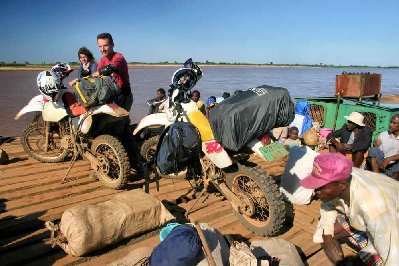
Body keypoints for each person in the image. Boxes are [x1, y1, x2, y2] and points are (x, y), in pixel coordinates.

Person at [300, 153, 399, 265]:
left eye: (320, 187)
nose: (315, 191)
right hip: (380, 222)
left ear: (342, 185)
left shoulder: (372, 207)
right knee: (325, 233)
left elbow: (392, 254)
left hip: (392, 228)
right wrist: (328, 234)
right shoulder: (345, 176)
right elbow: (328, 204)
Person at [93, 33, 140, 171]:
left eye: (105, 45)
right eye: (100, 46)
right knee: (106, 129)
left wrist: (93, 74)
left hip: (124, 96)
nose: (103, 49)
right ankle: (113, 163)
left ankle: (135, 163)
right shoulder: (101, 60)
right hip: (111, 97)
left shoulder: (118, 58)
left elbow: (109, 69)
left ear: (112, 45)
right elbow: (98, 81)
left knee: (122, 129)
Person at [368, 114, 399, 180]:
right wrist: (375, 143)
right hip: (381, 163)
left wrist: (389, 159)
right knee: (373, 150)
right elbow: (377, 152)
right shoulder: (383, 135)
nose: (390, 124)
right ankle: (376, 176)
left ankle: (393, 182)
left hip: (394, 166)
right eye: (390, 122)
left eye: (394, 123)